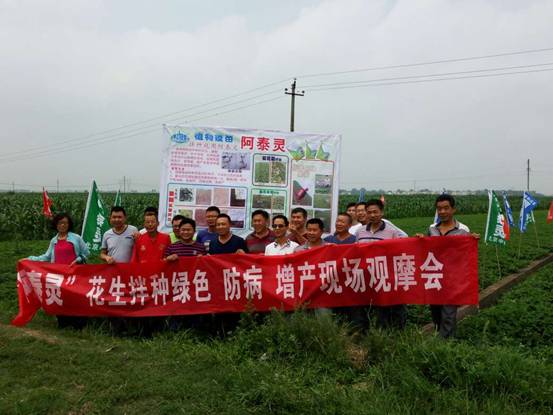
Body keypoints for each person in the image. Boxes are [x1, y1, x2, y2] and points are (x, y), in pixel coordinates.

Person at [418, 194, 479, 339]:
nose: (442, 212)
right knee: (436, 312)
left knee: (448, 314)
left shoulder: (463, 230)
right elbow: (427, 250)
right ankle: (441, 336)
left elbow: (466, 253)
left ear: (453, 209)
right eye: (439, 209)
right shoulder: (432, 229)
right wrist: (421, 241)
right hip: (435, 277)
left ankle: (447, 343)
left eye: (446, 208)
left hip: (452, 279)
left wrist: (472, 241)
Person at [28, 212, 90, 329]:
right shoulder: (54, 240)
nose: (63, 225)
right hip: (59, 275)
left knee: (76, 298)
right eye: (60, 223)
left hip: (74, 274)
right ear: (56, 225)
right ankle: (63, 323)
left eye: (65, 223)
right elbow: (47, 256)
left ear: (69, 224)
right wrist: (30, 259)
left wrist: (78, 260)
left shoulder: (76, 238)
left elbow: (86, 253)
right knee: (62, 298)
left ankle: (79, 324)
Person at [356, 199, 408, 330]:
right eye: (369, 212)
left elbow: (398, 252)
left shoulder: (392, 232)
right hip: (366, 277)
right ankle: (366, 333)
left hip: (384, 277)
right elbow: (356, 252)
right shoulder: (360, 231)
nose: (372, 215)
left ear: (382, 212)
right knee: (366, 308)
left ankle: (386, 333)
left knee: (383, 310)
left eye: (375, 212)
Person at [100, 206, 139, 335]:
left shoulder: (133, 230)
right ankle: (115, 328)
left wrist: (138, 239)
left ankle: (130, 328)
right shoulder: (107, 234)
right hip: (113, 274)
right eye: (114, 217)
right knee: (114, 299)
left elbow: (140, 248)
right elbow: (102, 253)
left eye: (119, 217)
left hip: (130, 273)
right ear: (110, 218)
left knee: (129, 299)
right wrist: (106, 257)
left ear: (125, 218)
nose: (117, 219)